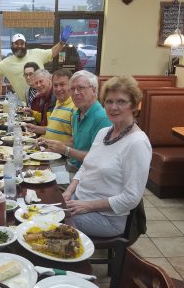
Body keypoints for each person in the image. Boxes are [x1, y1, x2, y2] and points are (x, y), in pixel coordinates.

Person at [62, 76, 152, 237]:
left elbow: (131, 198)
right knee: (41, 208)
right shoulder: (105, 132)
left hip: (107, 218)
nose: (113, 107)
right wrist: (69, 191)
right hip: (79, 200)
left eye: (121, 102)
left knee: (52, 222)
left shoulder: (137, 143)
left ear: (134, 105)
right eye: (109, 102)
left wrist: (88, 206)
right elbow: (86, 165)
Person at [0, 26, 73, 104]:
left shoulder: (36, 53)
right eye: (16, 44)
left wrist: (62, 42)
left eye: (22, 43)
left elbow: (53, 52)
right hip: (26, 103)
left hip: (47, 98)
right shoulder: (7, 62)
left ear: (25, 44)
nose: (19, 46)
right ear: (12, 45)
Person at [41, 70, 111, 170]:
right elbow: (74, 143)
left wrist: (66, 150)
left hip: (86, 175)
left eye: (81, 88)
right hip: (70, 167)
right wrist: (50, 143)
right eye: (72, 89)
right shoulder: (77, 113)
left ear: (93, 90)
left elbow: (98, 159)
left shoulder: (102, 118)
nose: (75, 93)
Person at [26, 69, 75, 142]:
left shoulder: (75, 107)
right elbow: (54, 129)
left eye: (62, 84)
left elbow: (76, 142)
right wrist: (35, 128)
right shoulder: (58, 102)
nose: (58, 89)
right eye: (55, 85)